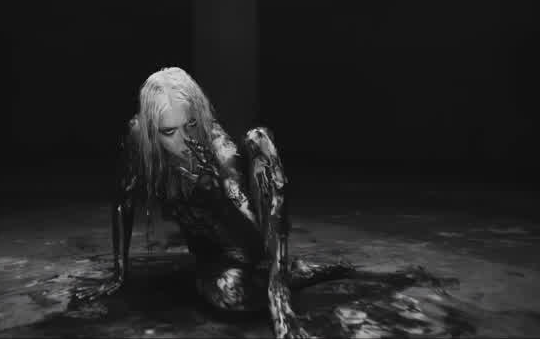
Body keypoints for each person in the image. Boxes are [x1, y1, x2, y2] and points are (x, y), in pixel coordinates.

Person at [74, 67, 448, 338]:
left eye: (192, 126)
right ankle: (298, 271)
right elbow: (123, 200)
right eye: (169, 132)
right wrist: (119, 273)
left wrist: (279, 301)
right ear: (151, 131)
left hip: (244, 250)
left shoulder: (220, 152)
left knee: (233, 297)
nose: (185, 141)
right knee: (220, 288)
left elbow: (257, 231)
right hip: (206, 254)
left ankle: (288, 276)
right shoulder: (137, 138)